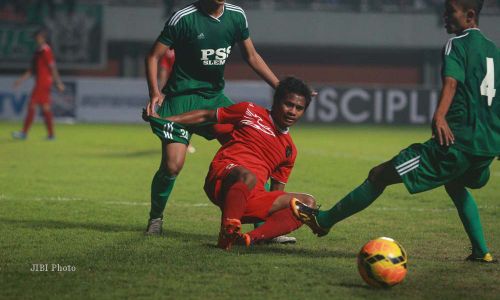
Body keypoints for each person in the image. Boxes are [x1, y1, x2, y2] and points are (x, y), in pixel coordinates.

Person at [292, 0, 499, 263]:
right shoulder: (495, 51)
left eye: (450, 12)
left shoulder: (457, 44)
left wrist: (439, 115)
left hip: (456, 143)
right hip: (486, 148)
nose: (444, 17)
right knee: (455, 182)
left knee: (378, 175)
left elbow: (451, 82)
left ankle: (324, 220)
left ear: (470, 15)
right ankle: (481, 251)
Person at [144, 0, 281, 236]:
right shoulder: (184, 18)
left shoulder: (237, 16)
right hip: (181, 99)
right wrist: (155, 93)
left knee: (253, 149)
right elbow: (153, 57)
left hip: (214, 99)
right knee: (172, 165)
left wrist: (280, 86)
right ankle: (155, 218)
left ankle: (263, 226)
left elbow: (252, 56)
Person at [144, 76, 316, 249]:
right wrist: (166, 119)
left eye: (299, 108)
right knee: (247, 176)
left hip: (251, 198)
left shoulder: (290, 150)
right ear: (276, 101)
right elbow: (206, 115)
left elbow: (276, 193)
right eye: (288, 104)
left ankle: (249, 239)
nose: (292, 111)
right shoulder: (249, 110)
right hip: (223, 176)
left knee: (308, 204)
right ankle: (226, 236)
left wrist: (283, 223)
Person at [12, 28, 65, 140]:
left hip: (43, 82)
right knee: (45, 108)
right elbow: (33, 70)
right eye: (36, 37)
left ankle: (24, 133)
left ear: (43, 37)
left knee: (32, 105)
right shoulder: (38, 51)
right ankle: (51, 135)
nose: (36, 39)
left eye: (38, 37)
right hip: (41, 82)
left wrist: (58, 82)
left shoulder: (46, 50)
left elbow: (52, 67)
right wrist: (20, 80)